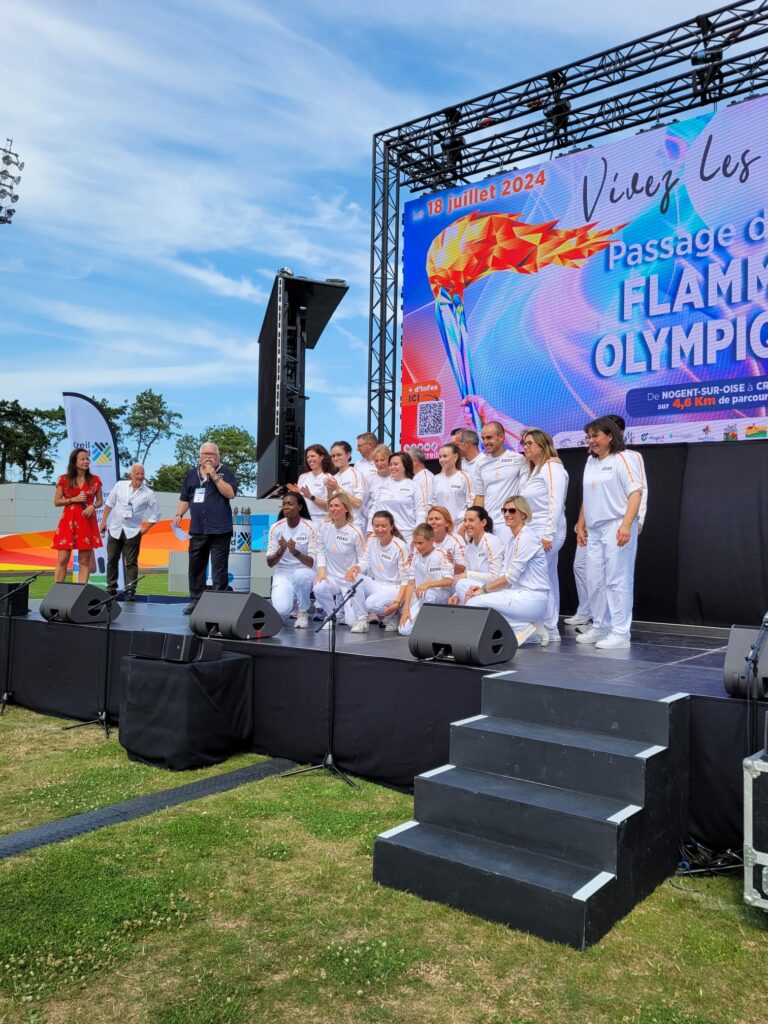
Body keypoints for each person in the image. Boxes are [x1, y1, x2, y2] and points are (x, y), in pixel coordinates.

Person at [566, 414, 648, 629]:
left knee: (617, 580)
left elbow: (636, 493)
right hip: (594, 529)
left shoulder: (624, 458)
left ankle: (620, 633)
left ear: (610, 436)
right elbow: (589, 496)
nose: (591, 440)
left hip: (616, 525)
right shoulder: (590, 461)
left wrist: (627, 524)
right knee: (594, 580)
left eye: (595, 436)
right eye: (588, 436)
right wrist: (581, 525)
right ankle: (600, 628)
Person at [463, 495, 550, 647]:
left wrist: (483, 590)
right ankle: (529, 627)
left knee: (474, 604)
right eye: (504, 510)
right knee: (466, 589)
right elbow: (503, 575)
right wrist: (481, 590)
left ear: (523, 514)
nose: (507, 514)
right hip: (518, 595)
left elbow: (509, 578)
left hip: (531, 597)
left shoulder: (526, 537)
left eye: (512, 510)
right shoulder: (513, 540)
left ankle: (524, 628)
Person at [175, 441, 238, 614]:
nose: (209, 457)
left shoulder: (225, 472)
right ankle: (196, 600)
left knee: (219, 568)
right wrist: (179, 514)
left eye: (212, 455)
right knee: (195, 566)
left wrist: (215, 477)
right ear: (200, 457)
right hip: (197, 529)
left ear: (218, 457)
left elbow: (230, 493)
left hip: (220, 529)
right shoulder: (191, 475)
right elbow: (185, 498)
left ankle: (218, 601)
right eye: (206, 454)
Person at [519, 429, 568, 643]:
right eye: (524, 443)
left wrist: (548, 533)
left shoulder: (551, 467)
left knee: (536, 578)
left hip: (548, 530)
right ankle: (549, 627)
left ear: (542, 444)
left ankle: (545, 626)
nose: (525, 447)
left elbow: (555, 502)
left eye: (530, 443)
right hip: (534, 530)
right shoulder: (533, 469)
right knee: (547, 577)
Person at [99, 464, 160, 599]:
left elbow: (157, 513)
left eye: (142, 474)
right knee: (112, 560)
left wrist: (145, 529)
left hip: (133, 531)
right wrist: (103, 522)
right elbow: (109, 504)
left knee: (131, 562)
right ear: (130, 475)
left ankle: (130, 591)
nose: (140, 476)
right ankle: (111, 588)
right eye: (137, 473)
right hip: (115, 528)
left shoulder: (148, 493)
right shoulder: (120, 485)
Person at [346, 510, 409, 632]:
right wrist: (356, 568)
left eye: (384, 526)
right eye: (377, 526)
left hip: (394, 588)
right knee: (352, 577)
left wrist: (397, 602)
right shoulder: (372, 540)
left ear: (391, 526)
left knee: (370, 604)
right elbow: (364, 562)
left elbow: (405, 580)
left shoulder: (400, 546)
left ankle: (393, 614)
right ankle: (362, 620)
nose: (380, 529)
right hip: (377, 584)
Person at [313, 493, 367, 629]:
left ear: (346, 509)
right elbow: (320, 551)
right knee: (319, 586)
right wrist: (321, 573)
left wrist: (355, 569)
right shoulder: (324, 527)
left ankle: (361, 619)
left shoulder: (355, 531)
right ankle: (332, 616)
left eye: (337, 505)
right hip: (333, 580)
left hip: (350, 581)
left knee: (351, 622)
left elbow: (365, 561)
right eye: (330, 506)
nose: (333, 509)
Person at [52, 448, 104, 584]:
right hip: (68, 521)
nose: (86, 461)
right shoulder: (64, 479)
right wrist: (72, 499)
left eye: (87, 459)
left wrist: (93, 506)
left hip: (87, 522)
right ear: (74, 462)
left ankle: (81, 592)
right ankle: (57, 590)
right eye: (83, 459)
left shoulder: (95, 480)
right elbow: (56, 501)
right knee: (62, 559)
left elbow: (100, 501)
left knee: (84, 560)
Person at [266, 492, 316, 629]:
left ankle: (303, 612)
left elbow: (312, 563)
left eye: (290, 504)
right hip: (283, 572)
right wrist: (280, 551)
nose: (286, 507)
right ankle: (290, 599)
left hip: (305, 571)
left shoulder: (311, 527)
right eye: (284, 504)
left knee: (301, 575)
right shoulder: (276, 527)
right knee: (281, 610)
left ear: (299, 507)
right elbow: (270, 563)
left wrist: (296, 553)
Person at [398, 523, 454, 636]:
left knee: (427, 594)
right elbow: (410, 583)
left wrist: (429, 584)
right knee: (404, 630)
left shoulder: (442, 554)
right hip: (421, 596)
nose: (417, 546)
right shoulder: (414, 557)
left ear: (432, 540)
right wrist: (407, 608)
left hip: (440, 595)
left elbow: (449, 581)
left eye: (420, 543)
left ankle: (435, 623)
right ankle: (425, 624)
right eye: (415, 543)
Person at [474, 421, 526, 528]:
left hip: (511, 522)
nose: (485, 442)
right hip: (488, 523)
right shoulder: (481, 464)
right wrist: (477, 522)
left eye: (489, 438)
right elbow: (480, 496)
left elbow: (526, 490)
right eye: (483, 438)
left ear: (501, 437)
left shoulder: (518, 459)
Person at [451, 505, 507, 604]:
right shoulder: (469, 547)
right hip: (476, 589)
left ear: (483, 522)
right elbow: (467, 576)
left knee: (461, 583)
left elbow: (496, 577)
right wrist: (456, 596)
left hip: (495, 590)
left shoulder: (492, 541)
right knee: (460, 585)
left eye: (471, 520)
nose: (466, 524)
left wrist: (467, 574)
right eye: (465, 520)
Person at [378, 451, 428, 547]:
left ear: (405, 465)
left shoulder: (414, 486)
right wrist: (371, 531)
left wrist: (418, 535)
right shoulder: (383, 487)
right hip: (386, 535)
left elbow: (421, 512)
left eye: (396, 464)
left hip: (408, 536)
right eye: (391, 464)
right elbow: (376, 510)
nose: (392, 467)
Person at [288, 444, 333, 527]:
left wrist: (311, 497)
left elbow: (330, 506)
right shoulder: (302, 477)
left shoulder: (328, 478)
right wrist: (297, 495)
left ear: (322, 457)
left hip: (321, 522)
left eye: (312, 456)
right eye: (308, 457)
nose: (309, 459)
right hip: (303, 520)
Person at [325, 441, 365, 528]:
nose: (335, 458)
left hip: (354, 525)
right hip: (337, 525)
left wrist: (338, 488)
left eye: (339, 455)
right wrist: (329, 491)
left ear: (348, 455)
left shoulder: (356, 474)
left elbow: (358, 503)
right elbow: (330, 505)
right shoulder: (334, 477)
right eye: (333, 455)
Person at [432, 442, 472, 525]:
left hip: (461, 525)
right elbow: (433, 504)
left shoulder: (465, 477)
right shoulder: (435, 479)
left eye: (445, 456)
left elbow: (471, 505)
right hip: (442, 526)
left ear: (455, 457)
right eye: (440, 457)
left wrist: (464, 527)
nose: (442, 460)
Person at [360, 444, 392, 534]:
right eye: (376, 461)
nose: (379, 464)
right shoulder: (370, 479)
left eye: (382, 460)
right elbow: (362, 504)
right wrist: (372, 516)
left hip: (393, 526)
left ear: (389, 459)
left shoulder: (396, 478)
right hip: (373, 527)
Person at [427, 505, 466, 574]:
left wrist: (452, 563)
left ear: (447, 523)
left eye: (437, 519)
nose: (433, 522)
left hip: (451, 581)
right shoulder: (422, 540)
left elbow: (463, 569)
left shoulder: (456, 539)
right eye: (430, 519)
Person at [454, 428, 486, 500]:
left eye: (456, 445)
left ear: (467, 444)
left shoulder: (485, 463)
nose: (454, 449)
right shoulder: (457, 464)